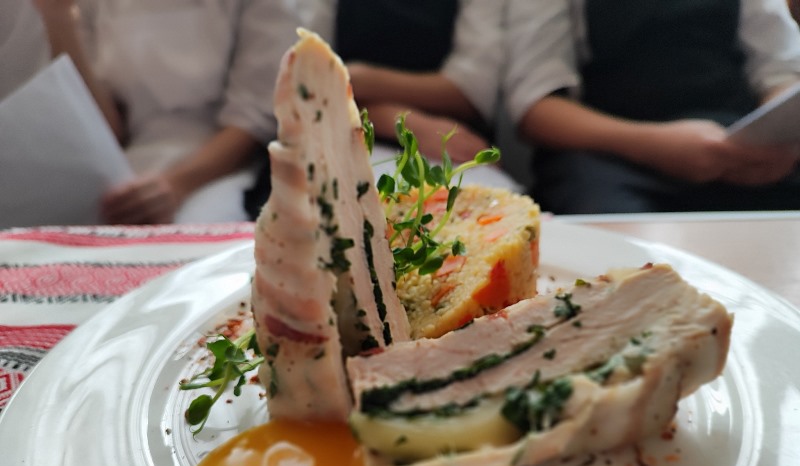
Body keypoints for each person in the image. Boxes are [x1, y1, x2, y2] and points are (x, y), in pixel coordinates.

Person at [504, 0, 800, 214]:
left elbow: (781, 71)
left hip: (735, 149)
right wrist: (653, 145)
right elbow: (536, 107)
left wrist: (778, 137)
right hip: (607, 156)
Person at [242, 0, 518, 220]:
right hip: (336, 132)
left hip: (448, 142)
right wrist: (398, 121)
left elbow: (472, 90)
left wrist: (356, 79)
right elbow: (306, 82)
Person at [32, 0, 298, 224]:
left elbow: (254, 120)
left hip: (219, 168)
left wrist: (175, 186)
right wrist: (58, 19)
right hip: (125, 163)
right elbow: (105, 126)